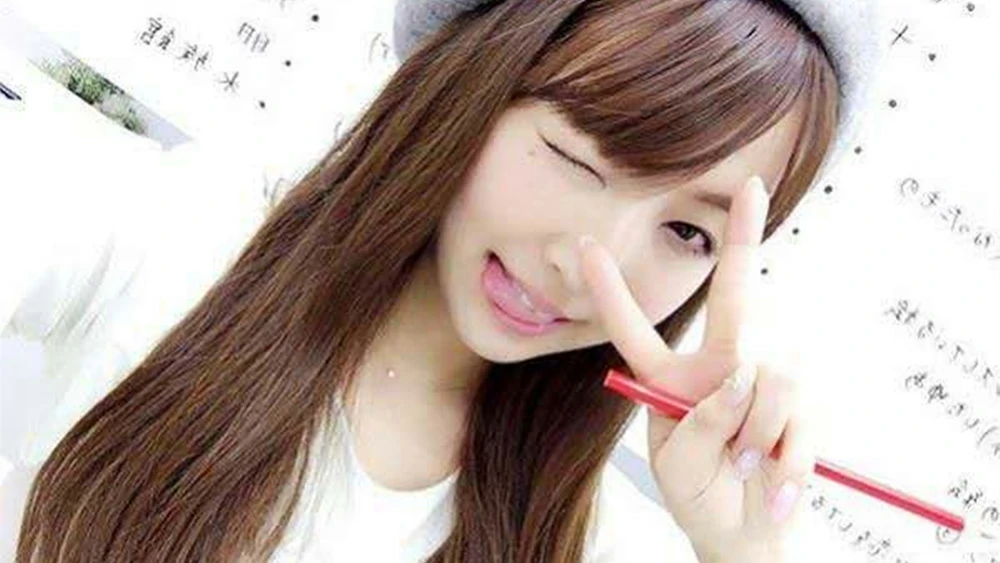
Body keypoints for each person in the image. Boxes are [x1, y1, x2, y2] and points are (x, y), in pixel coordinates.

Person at [3, 0, 886, 560]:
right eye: (575, 158)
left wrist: (740, 555)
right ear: (467, 86)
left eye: (688, 232)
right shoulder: (178, 236)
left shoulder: (592, 541)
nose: (591, 263)